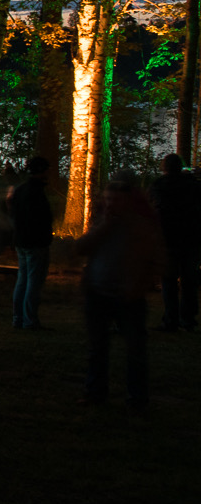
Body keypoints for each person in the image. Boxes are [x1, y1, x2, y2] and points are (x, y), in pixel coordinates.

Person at [77, 172, 165, 409]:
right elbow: (81, 248)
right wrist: (104, 226)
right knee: (97, 348)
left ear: (128, 201)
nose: (110, 204)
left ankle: (137, 398)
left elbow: (156, 258)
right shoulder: (102, 222)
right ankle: (95, 393)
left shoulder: (140, 226)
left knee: (135, 350)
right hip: (98, 293)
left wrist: (140, 284)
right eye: (108, 199)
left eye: (115, 199)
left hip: (128, 296)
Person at [149, 154, 199, 332]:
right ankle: (188, 320)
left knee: (169, 281)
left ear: (164, 168)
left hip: (168, 240)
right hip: (191, 239)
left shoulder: (159, 185)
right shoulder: (193, 185)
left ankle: (171, 319)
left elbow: (153, 209)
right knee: (189, 282)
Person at [8, 156, 55, 330]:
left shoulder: (21, 190)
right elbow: (40, 219)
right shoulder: (36, 192)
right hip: (35, 242)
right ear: (42, 170)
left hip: (21, 241)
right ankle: (29, 320)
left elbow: (13, 214)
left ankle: (18, 318)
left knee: (23, 280)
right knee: (33, 282)